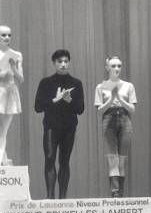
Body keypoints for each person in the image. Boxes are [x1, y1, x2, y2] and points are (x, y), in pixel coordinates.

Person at [34, 49, 84, 199]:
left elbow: (80, 109)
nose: (63, 64)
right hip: (51, 126)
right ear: (54, 63)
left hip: (69, 127)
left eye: (66, 61)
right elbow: (37, 107)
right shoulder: (46, 82)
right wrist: (55, 99)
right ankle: (50, 197)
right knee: (49, 158)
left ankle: (63, 198)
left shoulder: (76, 83)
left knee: (64, 160)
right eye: (60, 62)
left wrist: (68, 100)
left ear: (69, 63)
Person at [94, 56, 137, 198]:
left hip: (125, 119)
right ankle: (115, 193)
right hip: (108, 119)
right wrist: (111, 99)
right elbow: (99, 111)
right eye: (113, 66)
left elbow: (132, 109)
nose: (117, 69)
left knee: (122, 159)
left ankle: (121, 194)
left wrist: (120, 98)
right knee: (112, 158)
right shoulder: (101, 87)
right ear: (107, 68)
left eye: (119, 66)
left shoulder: (128, 85)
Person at [0, 25, 23, 165]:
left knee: (4, 129)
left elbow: (21, 79)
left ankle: (2, 160)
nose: (7, 38)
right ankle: (3, 159)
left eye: (9, 35)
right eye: (3, 35)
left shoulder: (16, 54)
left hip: (10, 92)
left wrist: (13, 67)